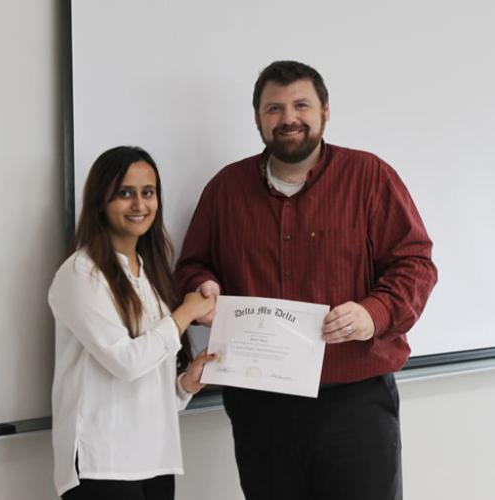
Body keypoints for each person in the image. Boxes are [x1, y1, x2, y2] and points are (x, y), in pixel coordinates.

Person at [175, 61, 438, 500]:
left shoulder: (370, 178)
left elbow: (416, 263)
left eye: (301, 105)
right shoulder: (225, 189)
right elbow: (191, 266)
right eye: (273, 108)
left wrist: (375, 313)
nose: (288, 118)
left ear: (325, 111)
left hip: (354, 403)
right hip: (261, 407)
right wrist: (205, 289)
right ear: (257, 118)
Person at [48, 146, 215, 500]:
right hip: (102, 462)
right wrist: (184, 314)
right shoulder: (81, 273)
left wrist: (185, 385)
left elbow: (147, 383)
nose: (140, 205)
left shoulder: (149, 274)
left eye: (148, 193)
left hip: (155, 458)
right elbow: (126, 363)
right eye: (125, 193)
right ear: (100, 201)